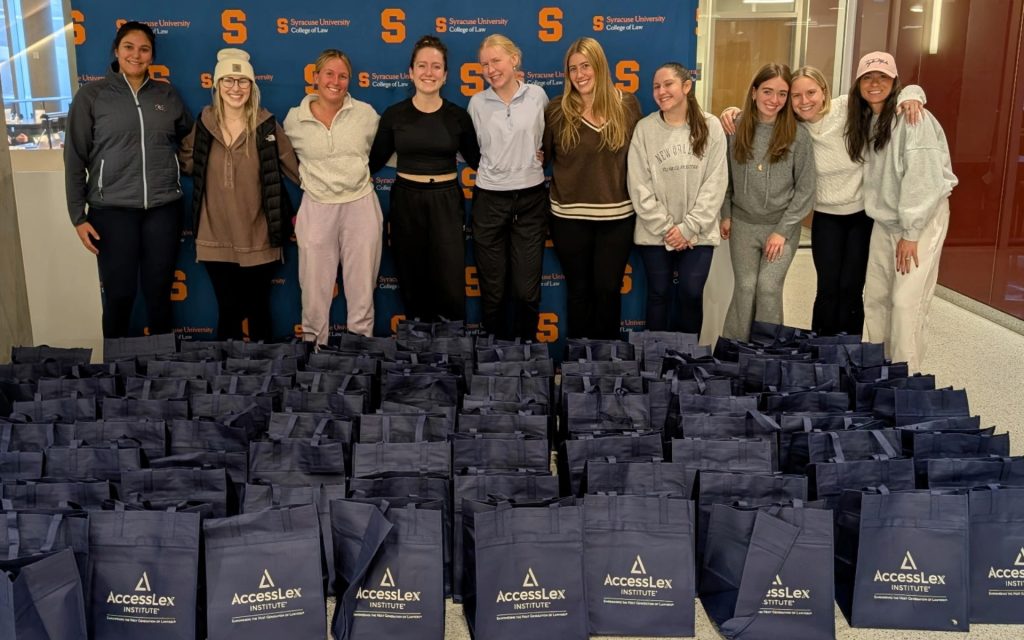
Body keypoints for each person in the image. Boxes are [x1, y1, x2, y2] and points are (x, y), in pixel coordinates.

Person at [721, 67, 924, 336]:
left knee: (847, 287)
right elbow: (729, 175)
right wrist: (732, 111)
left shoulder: (839, 113)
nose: (804, 101)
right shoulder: (767, 126)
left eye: (810, 93)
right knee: (819, 288)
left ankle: (803, 355)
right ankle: (803, 353)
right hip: (818, 216)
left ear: (824, 93)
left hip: (854, 213)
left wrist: (912, 94)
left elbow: (881, 95)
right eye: (795, 95)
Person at [64, 21, 192, 338]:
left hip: (163, 209)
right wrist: (78, 217)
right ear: (116, 51)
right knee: (120, 297)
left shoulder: (166, 94)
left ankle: (166, 376)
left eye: (144, 49)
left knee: (159, 295)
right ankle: (115, 376)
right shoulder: (91, 97)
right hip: (112, 212)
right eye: (129, 47)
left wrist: (180, 167)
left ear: (152, 55)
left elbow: (189, 138)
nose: (136, 55)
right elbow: (74, 158)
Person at [178, 48, 299, 341]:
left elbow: (297, 171)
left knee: (258, 309)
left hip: (259, 234)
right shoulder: (204, 124)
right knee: (228, 310)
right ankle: (226, 382)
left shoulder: (267, 125)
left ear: (252, 86)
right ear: (217, 85)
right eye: (228, 81)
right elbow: (185, 162)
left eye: (242, 81)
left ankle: (266, 379)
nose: (235, 88)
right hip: (214, 234)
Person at [848, 52, 956, 371]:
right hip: (885, 221)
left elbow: (922, 180)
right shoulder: (867, 120)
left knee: (905, 303)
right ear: (859, 84)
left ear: (896, 82)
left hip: (919, 223)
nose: (875, 83)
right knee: (877, 298)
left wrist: (910, 233)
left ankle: (904, 378)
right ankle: (874, 370)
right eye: (868, 77)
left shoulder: (913, 118)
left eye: (883, 77)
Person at [369, 35, 480, 322]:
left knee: (450, 281)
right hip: (406, 201)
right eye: (422, 65)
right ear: (410, 72)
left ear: (445, 75)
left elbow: (481, 162)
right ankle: (417, 358)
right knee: (411, 278)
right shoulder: (395, 116)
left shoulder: (458, 117)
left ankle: (452, 353)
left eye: (436, 67)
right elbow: (371, 163)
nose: (428, 73)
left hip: (446, 201)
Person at [543, 37, 642, 340]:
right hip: (568, 218)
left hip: (616, 218)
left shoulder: (626, 104)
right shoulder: (557, 110)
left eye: (586, 66)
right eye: (573, 69)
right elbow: (542, 157)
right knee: (579, 291)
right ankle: (578, 366)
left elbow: (646, 151)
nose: (580, 74)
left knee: (608, 290)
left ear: (599, 66)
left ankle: (605, 364)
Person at [285, 49, 382, 343]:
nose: (335, 81)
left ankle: (360, 354)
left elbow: (383, 153)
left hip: (360, 204)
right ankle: (314, 356)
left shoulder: (365, 114)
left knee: (362, 288)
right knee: (313, 290)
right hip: (316, 206)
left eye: (343, 76)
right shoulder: (294, 120)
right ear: (315, 77)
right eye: (329, 73)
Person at [628, 62, 728, 335]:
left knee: (691, 294)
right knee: (658, 295)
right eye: (656, 86)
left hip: (698, 231)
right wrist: (666, 228)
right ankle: (656, 363)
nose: (661, 91)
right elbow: (639, 185)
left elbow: (716, 183)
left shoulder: (711, 126)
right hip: (654, 232)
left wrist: (688, 228)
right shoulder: (644, 129)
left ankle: (687, 365)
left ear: (686, 86)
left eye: (668, 84)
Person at [719, 63, 816, 342]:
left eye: (783, 94)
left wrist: (781, 231)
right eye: (768, 91)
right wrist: (726, 214)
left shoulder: (798, 136)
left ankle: (768, 355)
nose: (774, 100)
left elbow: (805, 190)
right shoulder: (734, 129)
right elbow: (724, 177)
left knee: (768, 287)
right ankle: (734, 351)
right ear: (753, 92)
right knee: (746, 287)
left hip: (781, 227)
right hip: (744, 224)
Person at [467, 34, 548, 341]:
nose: (490, 69)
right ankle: (495, 363)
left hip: (531, 201)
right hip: (489, 201)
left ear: (514, 59)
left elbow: (548, 140)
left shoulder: (538, 96)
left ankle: (526, 357)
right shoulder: (477, 103)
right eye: (484, 64)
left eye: (496, 61)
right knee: (494, 291)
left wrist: (541, 156)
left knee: (527, 292)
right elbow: (474, 151)